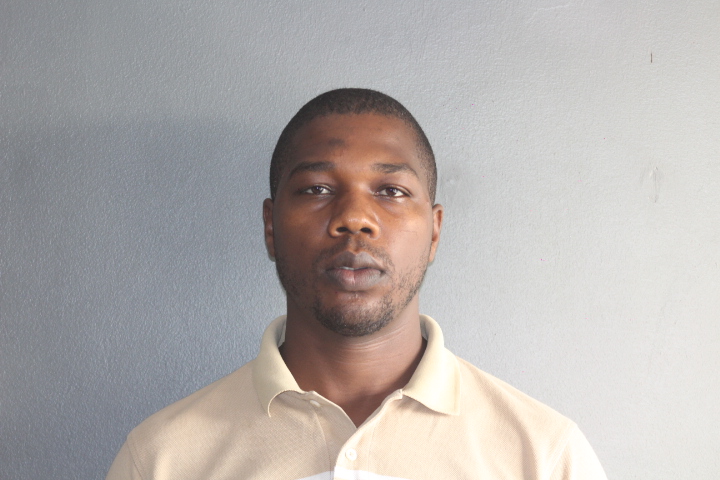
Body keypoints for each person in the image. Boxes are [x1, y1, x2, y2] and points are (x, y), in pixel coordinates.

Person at [106, 88, 607, 480]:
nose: (354, 218)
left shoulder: (543, 456)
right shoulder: (162, 459)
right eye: (317, 189)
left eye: (391, 190)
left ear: (434, 231)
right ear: (271, 227)